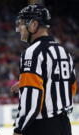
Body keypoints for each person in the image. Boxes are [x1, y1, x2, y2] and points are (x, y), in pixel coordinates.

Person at [11, 4, 77, 135]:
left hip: (41, 126)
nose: (19, 28)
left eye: (22, 24)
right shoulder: (63, 51)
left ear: (34, 25)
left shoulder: (32, 52)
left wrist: (19, 129)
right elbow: (71, 87)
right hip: (64, 125)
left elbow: (32, 101)